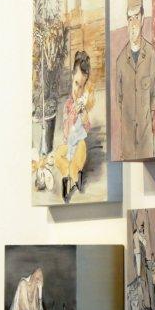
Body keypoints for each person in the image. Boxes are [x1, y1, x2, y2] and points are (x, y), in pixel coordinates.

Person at [115, 0, 155, 159]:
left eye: (136, 17)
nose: (133, 23)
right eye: (130, 18)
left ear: (142, 19)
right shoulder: (120, 61)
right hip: (127, 142)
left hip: (145, 139)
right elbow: (119, 99)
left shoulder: (151, 54)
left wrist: (145, 117)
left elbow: (154, 95)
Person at [54, 52, 95, 203]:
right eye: (76, 83)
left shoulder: (82, 106)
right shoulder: (67, 105)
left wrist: (83, 115)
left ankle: (70, 178)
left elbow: (87, 127)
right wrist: (66, 140)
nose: (78, 89)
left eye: (81, 86)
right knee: (58, 155)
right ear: (72, 78)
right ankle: (73, 176)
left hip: (79, 144)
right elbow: (65, 128)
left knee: (79, 153)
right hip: (68, 143)